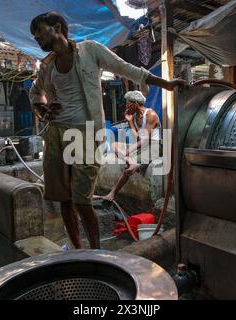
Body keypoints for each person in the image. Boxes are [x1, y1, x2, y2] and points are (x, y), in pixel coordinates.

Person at [29, 12, 186, 249]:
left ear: (57, 27)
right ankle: (77, 250)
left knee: (82, 200)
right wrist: (43, 111)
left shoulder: (89, 50)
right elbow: (35, 93)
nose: (37, 38)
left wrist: (165, 84)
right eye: (34, 35)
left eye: (39, 31)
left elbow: (126, 69)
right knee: (63, 199)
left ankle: (96, 251)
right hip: (56, 134)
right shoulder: (47, 66)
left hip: (86, 134)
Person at [94, 91, 161, 202]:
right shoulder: (134, 117)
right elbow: (136, 137)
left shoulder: (151, 115)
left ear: (135, 103)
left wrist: (130, 150)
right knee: (114, 145)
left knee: (128, 170)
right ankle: (131, 161)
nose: (126, 106)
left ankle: (112, 194)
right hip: (141, 146)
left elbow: (144, 140)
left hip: (153, 147)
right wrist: (130, 121)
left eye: (128, 103)